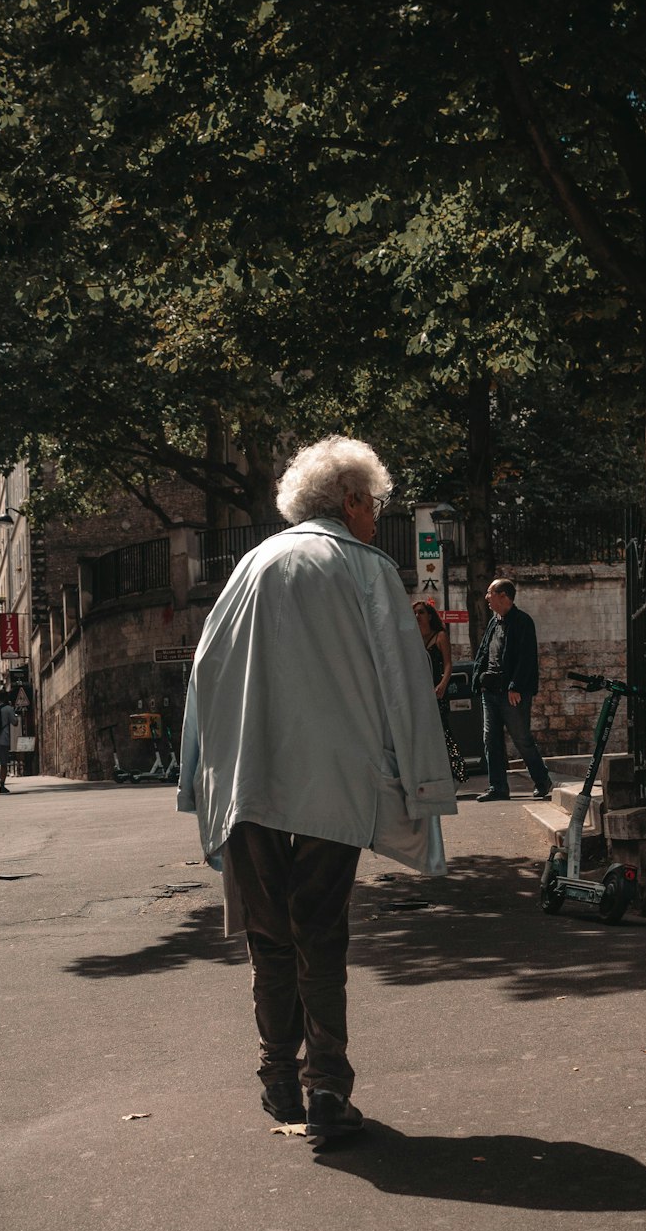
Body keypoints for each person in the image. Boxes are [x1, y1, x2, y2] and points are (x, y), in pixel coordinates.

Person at [178, 436, 457, 1141]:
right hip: (335, 778)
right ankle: (327, 1087)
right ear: (353, 500)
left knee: (268, 937)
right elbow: (405, 680)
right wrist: (423, 783)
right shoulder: (364, 568)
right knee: (320, 931)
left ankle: (278, 1081)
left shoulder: (249, 564)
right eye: (376, 503)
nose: (377, 518)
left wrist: (197, 779)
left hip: (246, 779)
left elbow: (203, 674)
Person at [471, 578, 553, 802]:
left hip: (512, 693)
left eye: (490, 592)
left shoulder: (522, 621)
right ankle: (497, 787)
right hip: (491, 692)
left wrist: (515, 686)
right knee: (491, 739)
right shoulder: (493, 622)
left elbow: (526, 658)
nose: (486, 597)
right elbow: (485, 653)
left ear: (503, 596)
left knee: (521, 739)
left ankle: (542, 781)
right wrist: (479, 678)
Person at [412, 599, 466, 784]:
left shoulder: (440, 636)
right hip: (419, 692)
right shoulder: (412, 638)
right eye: (415, 613)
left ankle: (455, 771)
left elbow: (449, 664)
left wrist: (443, 684)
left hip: (437, 690)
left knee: (442, 732)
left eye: (420, 612)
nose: (417, 616)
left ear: (429, 615)